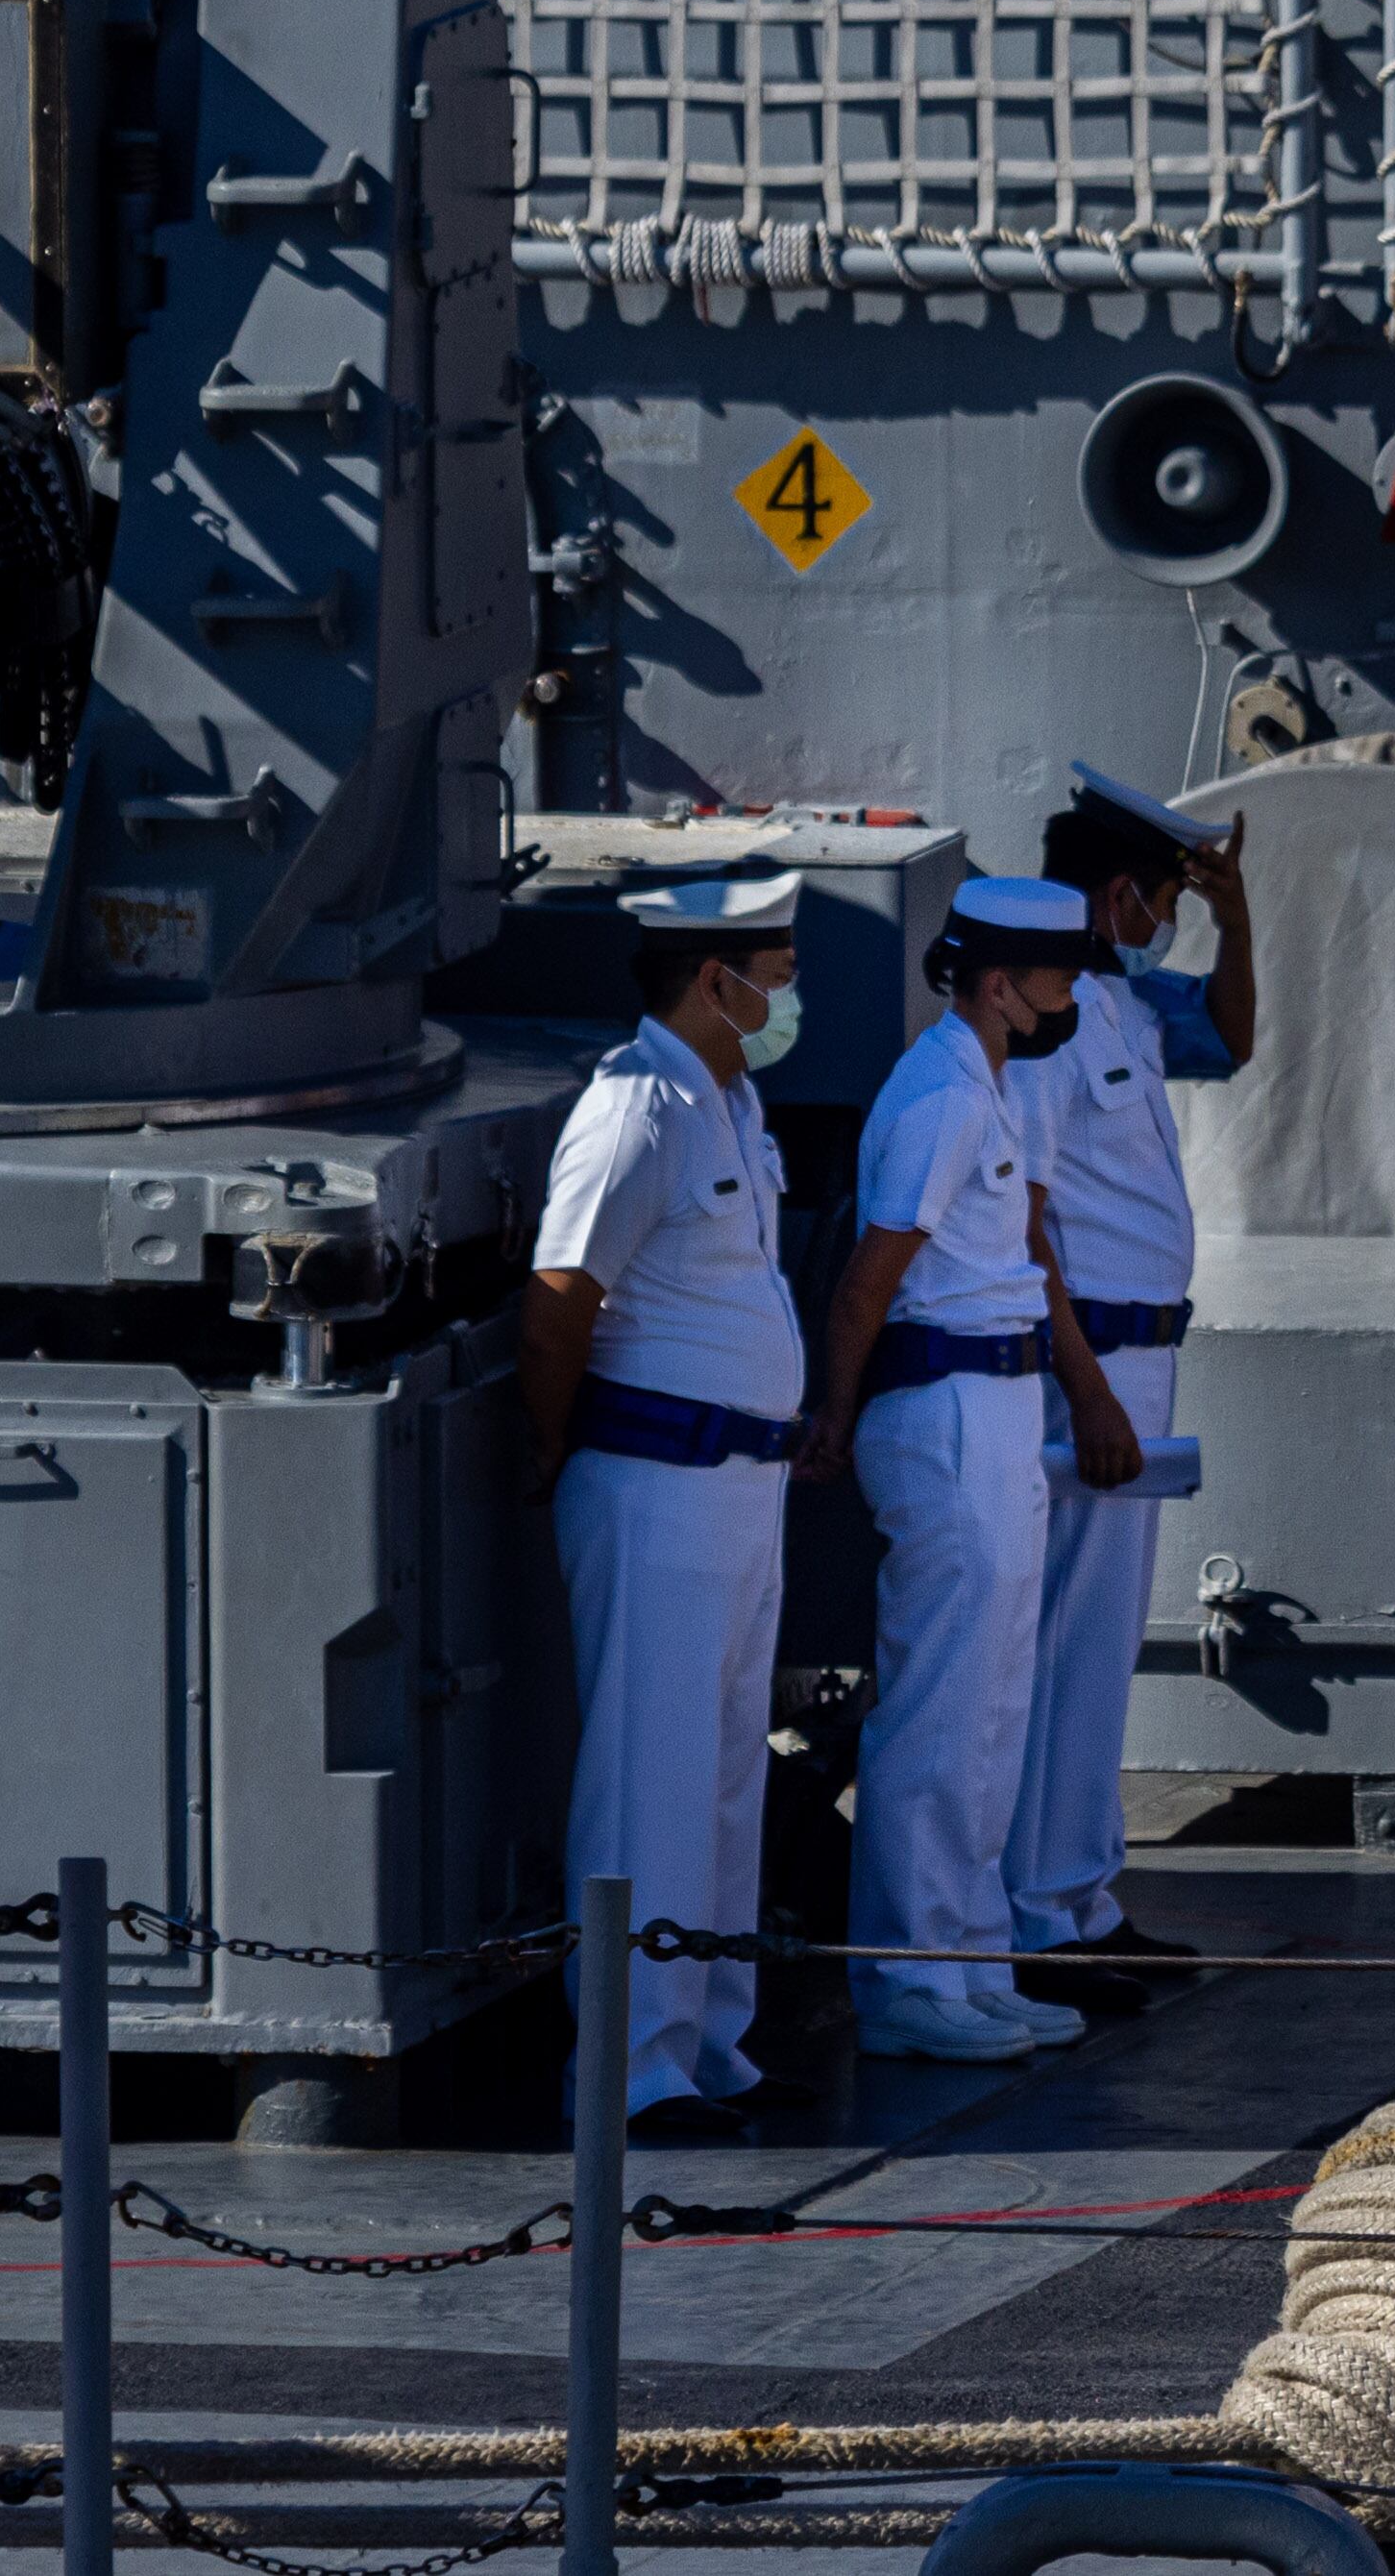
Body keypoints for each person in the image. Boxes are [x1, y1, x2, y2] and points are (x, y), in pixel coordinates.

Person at [801, 878, 1144, 2066]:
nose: (1068, 998)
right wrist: (834, 1420)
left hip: (995, 1407)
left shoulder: (985, 1087)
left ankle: (971, 1966)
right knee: (941, 1706)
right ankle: (907, 1980)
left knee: (993, 1705)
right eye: (1056, 979)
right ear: (1000, 984)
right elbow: (866, 1282)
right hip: (942, 1408)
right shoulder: (941, 1097)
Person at [523, 871, 810, 2140]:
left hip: (739, 1490)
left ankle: (708, 2035)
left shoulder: (732, 1103)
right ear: (713, 980)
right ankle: (632, 2064)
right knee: (648, 1775)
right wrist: (548, 1447)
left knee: (722, 1776)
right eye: (777, 964)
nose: (787, 989)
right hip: (654, 1484)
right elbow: (558, 1298)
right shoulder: (633, 1109)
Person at [1008, 769, 1253, 2015]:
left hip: (1132, 1356)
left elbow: (1231, 1032)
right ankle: (1033, 1915)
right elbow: (1028, 1221)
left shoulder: (1115, 1001)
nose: (1167, 916)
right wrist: (1089, 1390)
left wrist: (1231, 907)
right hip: (1085, 1365)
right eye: (1161, 897)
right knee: (1058, 1640)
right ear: (1115, 896)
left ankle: (1081, 1897)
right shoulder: (1047, 1030)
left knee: (1097, 1644)